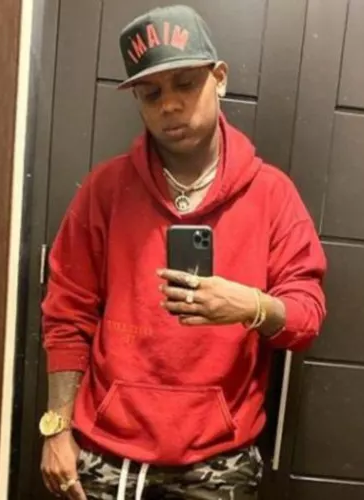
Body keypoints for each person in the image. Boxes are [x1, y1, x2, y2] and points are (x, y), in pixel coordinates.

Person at [38, 5, 327, 500]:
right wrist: (56, 429)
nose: (169, 105)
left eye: (186, 84)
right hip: (108, 459)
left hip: (220, 464)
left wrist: (251, 306)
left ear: (220, 78)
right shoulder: (105, 191)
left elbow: (307, 317)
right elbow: (67, 315)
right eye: (151, 93)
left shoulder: (272, 194)